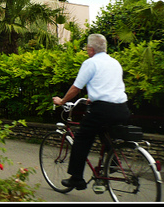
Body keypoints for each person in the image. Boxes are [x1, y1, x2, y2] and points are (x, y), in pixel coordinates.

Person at [52, 33, 130, 190]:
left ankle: (76, 178)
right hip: (122, 108)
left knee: (81, 139)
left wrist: (62, 101)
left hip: (102, 109)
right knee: (105, 133)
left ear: (91, 49)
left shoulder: (90, 63)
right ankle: (111, 164)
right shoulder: (115, 63)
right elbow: (108, 86)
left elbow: (76, 88)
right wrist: (92, 98)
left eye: (87, 48)